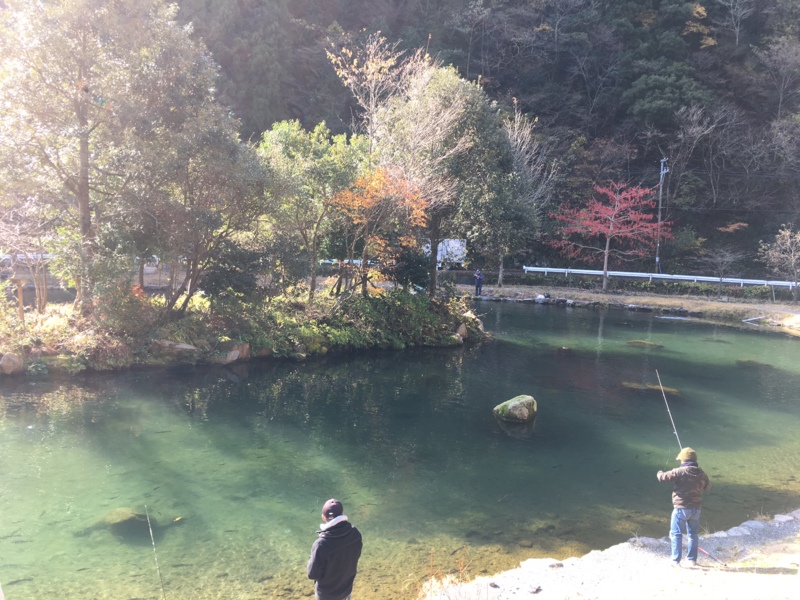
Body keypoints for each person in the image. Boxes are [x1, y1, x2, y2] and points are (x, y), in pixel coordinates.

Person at [657, 447, 711, 567]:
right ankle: (692, 560)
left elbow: (662, 478)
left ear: (684, 461)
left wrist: (659, 472)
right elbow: (708, 488)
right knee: (693, 535)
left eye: (680, 460)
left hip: (681, 508)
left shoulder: (679, 472)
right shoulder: (702, 474)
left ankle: (676, 561)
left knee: (676, 534)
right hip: (696, 509)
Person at [307, 498, 363, 600]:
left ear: (323, 517)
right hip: (346, 590)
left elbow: (312, 574)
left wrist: (311, 559)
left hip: (326, 596)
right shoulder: (355, 534)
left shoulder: (321, 545)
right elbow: (356, 556)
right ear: (342, 514)